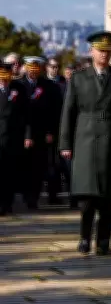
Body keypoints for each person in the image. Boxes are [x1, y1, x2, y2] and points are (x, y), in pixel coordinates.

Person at [59, 31, 111, 256]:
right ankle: (84, 238)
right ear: (91, 51)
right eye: (100, 50)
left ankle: (103, 242)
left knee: (108, 198)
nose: (104, 54)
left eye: (108, 51)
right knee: (86, 198)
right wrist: (65, 143)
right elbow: (68, 113)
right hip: (85, 140)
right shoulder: (78, 78)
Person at [20, 56, 61, 209]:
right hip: (22, 133)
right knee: (24, 167)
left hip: (42, 133)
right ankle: (25, 194)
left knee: (38, 167)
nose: (33, 70)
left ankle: (33, 198)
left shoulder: (49, 86)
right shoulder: (19, 85)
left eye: (37, 66)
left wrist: (51, 131)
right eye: (31, 66)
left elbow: (55, 111)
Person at [0, 62, 30, 216]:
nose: (4, 78)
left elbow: (26, 115)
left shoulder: (18, 89)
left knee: (9, 173)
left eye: (7, 74)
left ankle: (8, 203)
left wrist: (27, 136)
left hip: (13, 138)